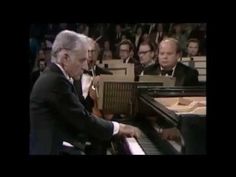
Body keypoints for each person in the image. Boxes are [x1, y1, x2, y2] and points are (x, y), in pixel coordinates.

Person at [30, 30, 141, 155]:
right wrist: (119, 128)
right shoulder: (55, 81)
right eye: (81, 60)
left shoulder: (54, 76)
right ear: (65, 58)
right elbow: (82, 119)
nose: (86, 67)